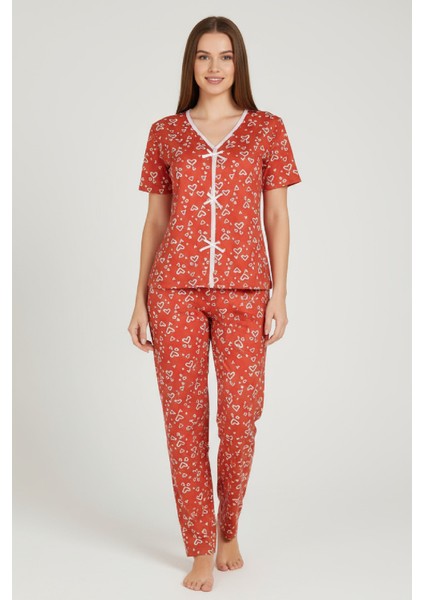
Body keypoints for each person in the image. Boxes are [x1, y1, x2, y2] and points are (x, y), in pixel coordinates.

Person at [128, 15, 301, 592]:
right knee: (183, 422)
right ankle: (200, 546)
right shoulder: (165, 132)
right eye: (203, 56)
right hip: (173, 291)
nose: (214, 67)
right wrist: (139, 300)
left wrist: (279, 293)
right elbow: (155, 221)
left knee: (240, 417)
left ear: (238, 63)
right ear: (191, 64)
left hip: (247, 290)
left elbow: (277, 216)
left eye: (224, 56)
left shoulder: (267, 129)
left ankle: (230, 528)